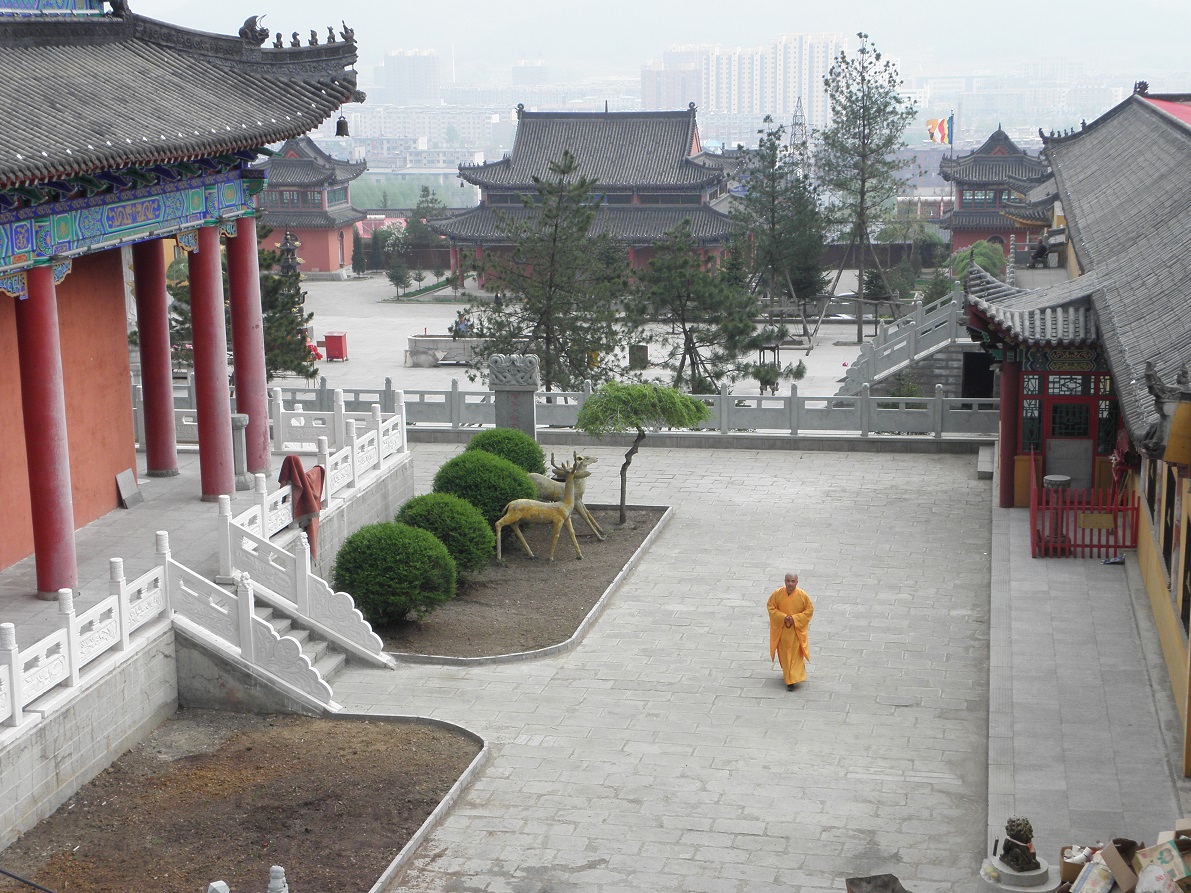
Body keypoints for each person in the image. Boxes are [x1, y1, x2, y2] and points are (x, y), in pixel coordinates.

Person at [767, 572, 814, 690]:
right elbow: (771, 606)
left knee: (795, 655)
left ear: (797, 582)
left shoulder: (802, 595)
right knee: (785, 655)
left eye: (793, 581)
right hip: (783, 631)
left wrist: (795, 619)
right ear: (784, 581)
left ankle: (791, 680)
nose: (790, 584)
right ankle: (789, 676)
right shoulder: (777, 594)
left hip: (796, 631)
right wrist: (783, 617)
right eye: (788, 581)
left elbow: (809, 610)